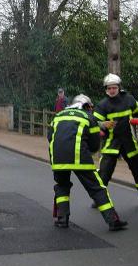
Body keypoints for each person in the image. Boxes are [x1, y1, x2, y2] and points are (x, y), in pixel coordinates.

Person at [48, 94, 128, 231]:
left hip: (57, 159)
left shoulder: (58, 116)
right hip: (80, 158)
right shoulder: (88, 117)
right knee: (97, 188)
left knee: (62, 185)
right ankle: (113, 221)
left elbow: (50, 137)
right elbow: (94, 145)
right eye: (90, 108)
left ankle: (62, 219)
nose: (91, 110)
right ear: (86, 106)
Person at [92, 73, 138, 207]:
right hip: (112, 143)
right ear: (106, 89)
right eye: (109, 88)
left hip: (129, 142)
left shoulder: (129, 99)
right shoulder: (102, 105)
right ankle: (98, 199)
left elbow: (137, 113)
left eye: (114, 88)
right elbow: (93, 122)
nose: (111, 90)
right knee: (104, 172)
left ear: (119, 87)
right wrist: (102, 124)